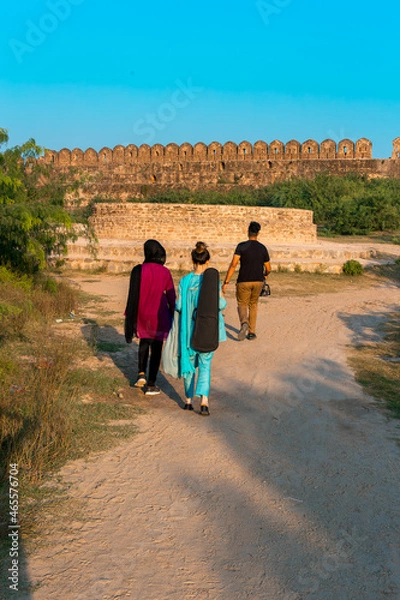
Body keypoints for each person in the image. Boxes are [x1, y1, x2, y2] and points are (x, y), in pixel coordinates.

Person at [175, 242, 226, 415]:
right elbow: (222, 303)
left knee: (189, 364)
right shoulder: (212, 282)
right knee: (205, 364)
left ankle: (188, 400)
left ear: (192, 260)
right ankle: (204, 401)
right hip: (207, 330)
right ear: (208, 260)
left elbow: (179, 306)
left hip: (189, 330)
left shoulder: (185, 281)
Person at [125, 239, 176, 395]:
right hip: (159, 315)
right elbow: (171, 297)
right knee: (156, 348)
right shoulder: (165, 272)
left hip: (141, 313)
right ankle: (152, 384)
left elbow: (132, 295)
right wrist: (174, 314)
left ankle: (141, 373)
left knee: (144, 342)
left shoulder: (139, 270)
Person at [222, 221, 271, 341]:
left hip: (243, 280)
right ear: (258, 233)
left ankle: (244, 322)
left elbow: (233, 264)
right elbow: (268, 268)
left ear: (248, 231)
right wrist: (265, 275)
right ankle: (251, 332)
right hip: (258, 281)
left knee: (242, 304)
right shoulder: (262, 248)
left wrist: (226, 281)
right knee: (253, 305)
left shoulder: (241, 246)